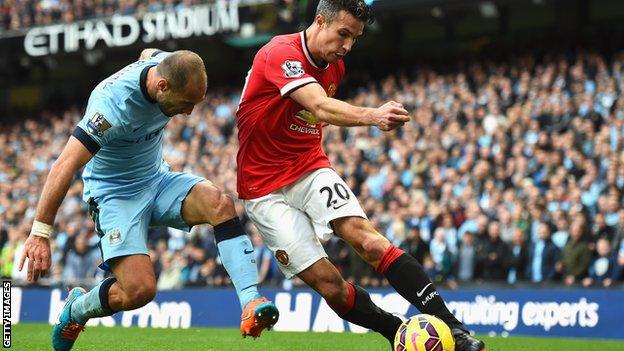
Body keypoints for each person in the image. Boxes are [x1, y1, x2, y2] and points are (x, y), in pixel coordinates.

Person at [235, 1, 485, 350]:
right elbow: (319, 107)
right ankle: (396, 331)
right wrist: (372, 115)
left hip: (309, 167)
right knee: (330, 287)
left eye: (355, 38)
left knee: (367, 239)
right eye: (343, 34)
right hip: (262, 190)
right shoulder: (279, 52)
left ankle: (454, 330)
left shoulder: (334, 67)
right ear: (320, 21)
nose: (348, 46)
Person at [19, 49, 278, 351]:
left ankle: (250, 301)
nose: (190, 113)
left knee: (219, 204)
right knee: (140, 291)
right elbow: (64, 165)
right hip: (115, 194)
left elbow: (149, 53)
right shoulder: (111, 107)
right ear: (162, 86)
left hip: (157, 180)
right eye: (186, 103)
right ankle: (77, 309)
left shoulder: (165, 66)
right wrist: (40, 233)